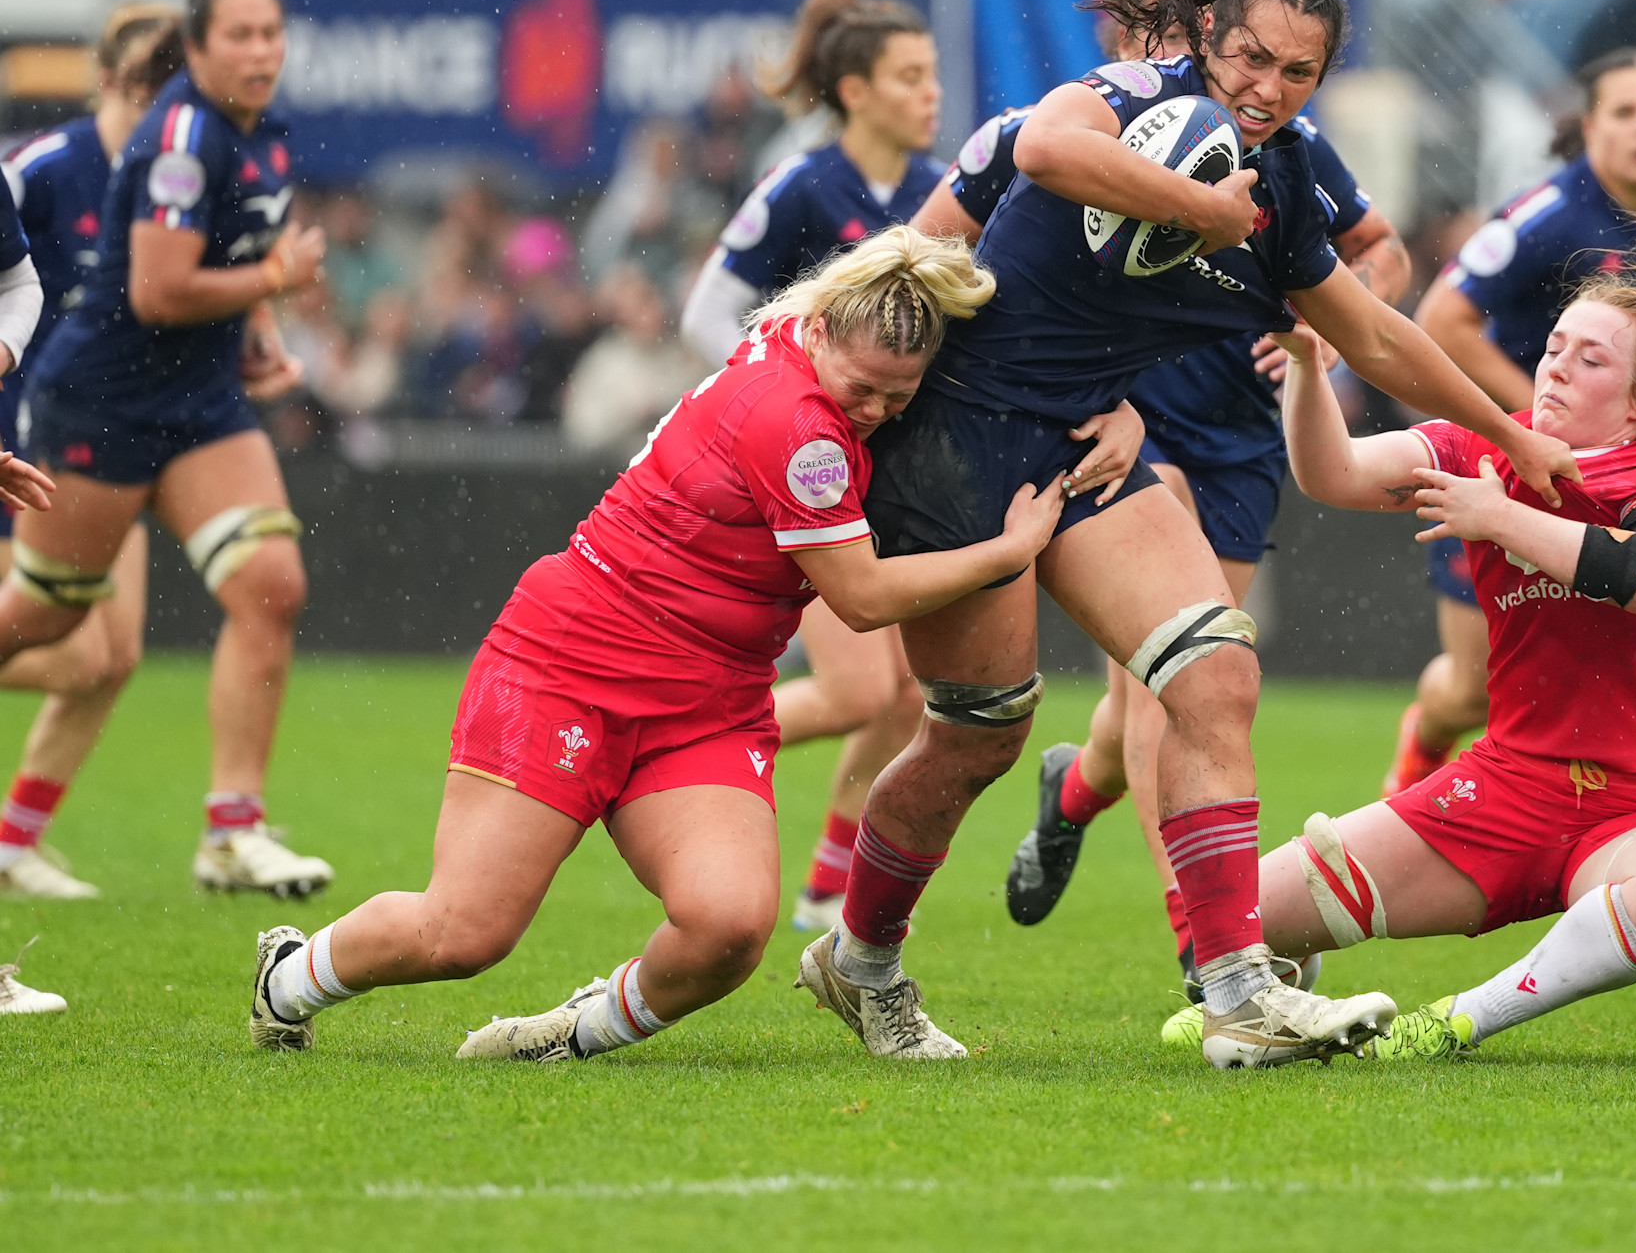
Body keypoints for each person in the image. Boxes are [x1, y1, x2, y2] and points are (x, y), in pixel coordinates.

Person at [803, 0, 1578, 1069]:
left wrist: (1517, 434)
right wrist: (1201, 210)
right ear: (1207, 35)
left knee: (1215, 672)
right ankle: (860, 961)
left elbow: (1374, 326)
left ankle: (1236, 995)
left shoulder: (1283, 175)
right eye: (1250, 58)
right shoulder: (1125, 91)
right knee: (980, 732)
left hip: (1097, 448)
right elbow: (1049, 155)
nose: (1267, 88)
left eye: (1298, 71)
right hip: (960, 450)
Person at [245, 229, 1063, 1061]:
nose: (878, 412)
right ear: (818, 332)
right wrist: (1007, 552)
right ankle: (289, 975)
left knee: (730, 929)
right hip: (569, 664)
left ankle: (572, 1036)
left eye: (899, 397)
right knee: (462, 934)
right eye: (864, 390)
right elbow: (856, 600)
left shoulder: (803, 335)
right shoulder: (798, 423)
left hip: (707, 701)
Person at [916, 0, 1412, 997]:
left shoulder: (1288, 150)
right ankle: (1204, 943)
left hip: (1235, 434)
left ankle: (1075, 790)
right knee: (1180, 677)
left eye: (1166, 43)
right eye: (1135, 44)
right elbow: (927, 261)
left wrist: (1312, 338)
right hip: (1119, 432)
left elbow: (1379, 254)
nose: (1153, 65)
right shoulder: (1050, 135)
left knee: (1171, 694)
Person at [1159, 222, 1636, 1060]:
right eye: (1556, 346)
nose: (1555, 366)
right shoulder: (1482, 446)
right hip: (1504, 790)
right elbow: (1328, 476)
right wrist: (1307, 367)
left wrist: (1498, 516)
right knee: (1222, 918)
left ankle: (1456, 1021)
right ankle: (1276, 1004)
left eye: (1590, 360)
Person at [680, 0, 1138, 937]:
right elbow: (704, 313)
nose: (932, 93)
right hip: (806, 471)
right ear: (854, 90)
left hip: (897, 473)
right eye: (910, 76)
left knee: (900, 700)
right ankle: (682, 748)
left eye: (934, 74)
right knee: (863, 692)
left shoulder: (947, 184)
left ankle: (826, 885)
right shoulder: (802, 183)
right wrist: (795, 402)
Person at [4, 0, 332, 898]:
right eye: (241, 35)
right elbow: (157, 290)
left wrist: (260, 335)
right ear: (196, 49)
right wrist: (273, 284)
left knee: (271, 584)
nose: (262, 51)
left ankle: (232, 830)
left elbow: (234, 255)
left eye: (272, 32)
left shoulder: (261, 133)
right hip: (99, 405)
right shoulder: (181, 138)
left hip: (199, 406)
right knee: (56, 621)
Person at [1390, 50, 1636, 797]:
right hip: (1509, 470)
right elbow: (1442, 319)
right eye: (1624, 112)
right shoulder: (1545, 215)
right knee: (1472, 694)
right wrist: (1531, 420)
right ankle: (1423, 744)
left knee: (1595, 657)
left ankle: (1593, 812)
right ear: (1589, 125)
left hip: (1619, 477)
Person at [0, 6, 179, 901]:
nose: (161, 101)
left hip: (117, 442)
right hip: (28, 440)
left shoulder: (173, 177)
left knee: (113, 659)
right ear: (110, 81)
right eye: (149, 81)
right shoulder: (44, 169)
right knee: (70, 652)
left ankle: (14, 841)